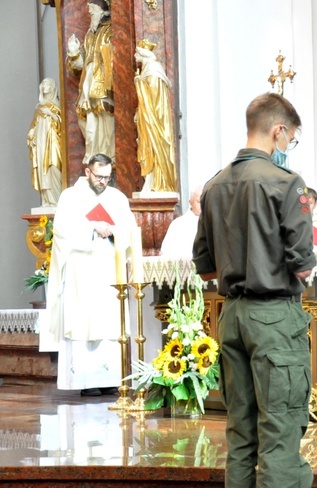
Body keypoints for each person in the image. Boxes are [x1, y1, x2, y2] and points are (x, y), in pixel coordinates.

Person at [193, 92, 315, 488]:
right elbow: (302, 265)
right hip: (274, 319)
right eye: (290, 138)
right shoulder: (286, 184)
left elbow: (206, 266)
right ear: (278, 131)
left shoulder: (214, 186)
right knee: (280, 432)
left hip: (232, 319)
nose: (288, 146)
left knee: (241, 433)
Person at [46, 153, 137, 396]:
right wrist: (92, 227)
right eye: (99, 176)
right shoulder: (71, 197)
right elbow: (61, 230)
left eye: (108, 177)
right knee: (84, 318)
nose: (103, 181)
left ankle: (111, 379)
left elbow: (129, 230)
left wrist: (114, 230)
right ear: (87, 172)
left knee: (109, 321)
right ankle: (85, 382)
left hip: (108, 266)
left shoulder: (117, 198)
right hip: (81, 268)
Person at [66, 0, 114, 166]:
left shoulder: (110, 31)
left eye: (92, 11)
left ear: (102, 11)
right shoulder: (89, 35)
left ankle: (108, 158)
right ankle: (93, 157)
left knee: (105, 121)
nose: (90, 15)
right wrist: (73, 53)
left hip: (102, 85)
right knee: (88, 122)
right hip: (87, 85)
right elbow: (80, 65)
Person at [134, 39, 178, 193]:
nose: (134, 56)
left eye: (137, 53)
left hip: (155, 119)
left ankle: (158, 183)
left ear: (143, 54)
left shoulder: (153, 70)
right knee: (148, 146)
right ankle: (151, 181)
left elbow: (153, 97)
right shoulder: (148, 70)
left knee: (155, 146)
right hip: (148, 117)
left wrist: (139, 83)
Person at [26, 78, 63, 208]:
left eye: (48, 84)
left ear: (53, 88)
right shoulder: (39, 107)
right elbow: (33, 126)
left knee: (53, 167)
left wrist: (51, 114)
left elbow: (63, 125)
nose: (45, 86)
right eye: (44, 84)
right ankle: (47, 201)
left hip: (53, 141)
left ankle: (57, 200)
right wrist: (31, 137)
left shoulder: (57, 105)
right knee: (43, 169)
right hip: (41, 142)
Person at [160, 186, 202, 258]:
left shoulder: (212, 224)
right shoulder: (178, 225)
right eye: (199, 202)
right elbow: (166, 253)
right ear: (190, 203)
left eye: (205, 201)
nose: (202, 205)